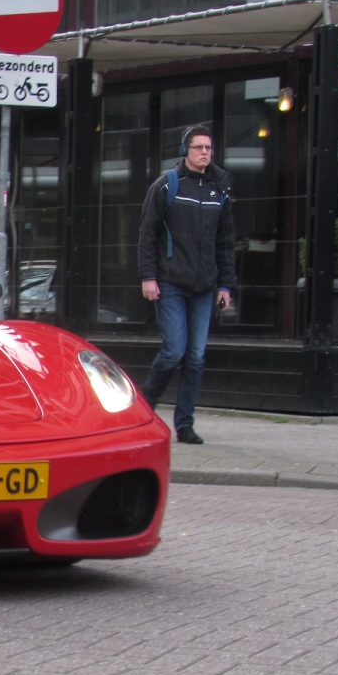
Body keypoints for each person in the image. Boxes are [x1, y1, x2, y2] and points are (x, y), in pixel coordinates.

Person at [137, 124, 236, 445]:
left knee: (195, 357)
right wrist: (148, 277)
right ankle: (142, 411)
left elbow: (226, 241)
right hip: (171, 284)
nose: (205, 153)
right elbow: (147, 234)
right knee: (173, 352)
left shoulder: (219, 190)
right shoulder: (167, 186)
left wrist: (226, 285)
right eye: (198, 147)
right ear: (186, 150)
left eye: (209, 148)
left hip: (205, 287)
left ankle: (185, 425)